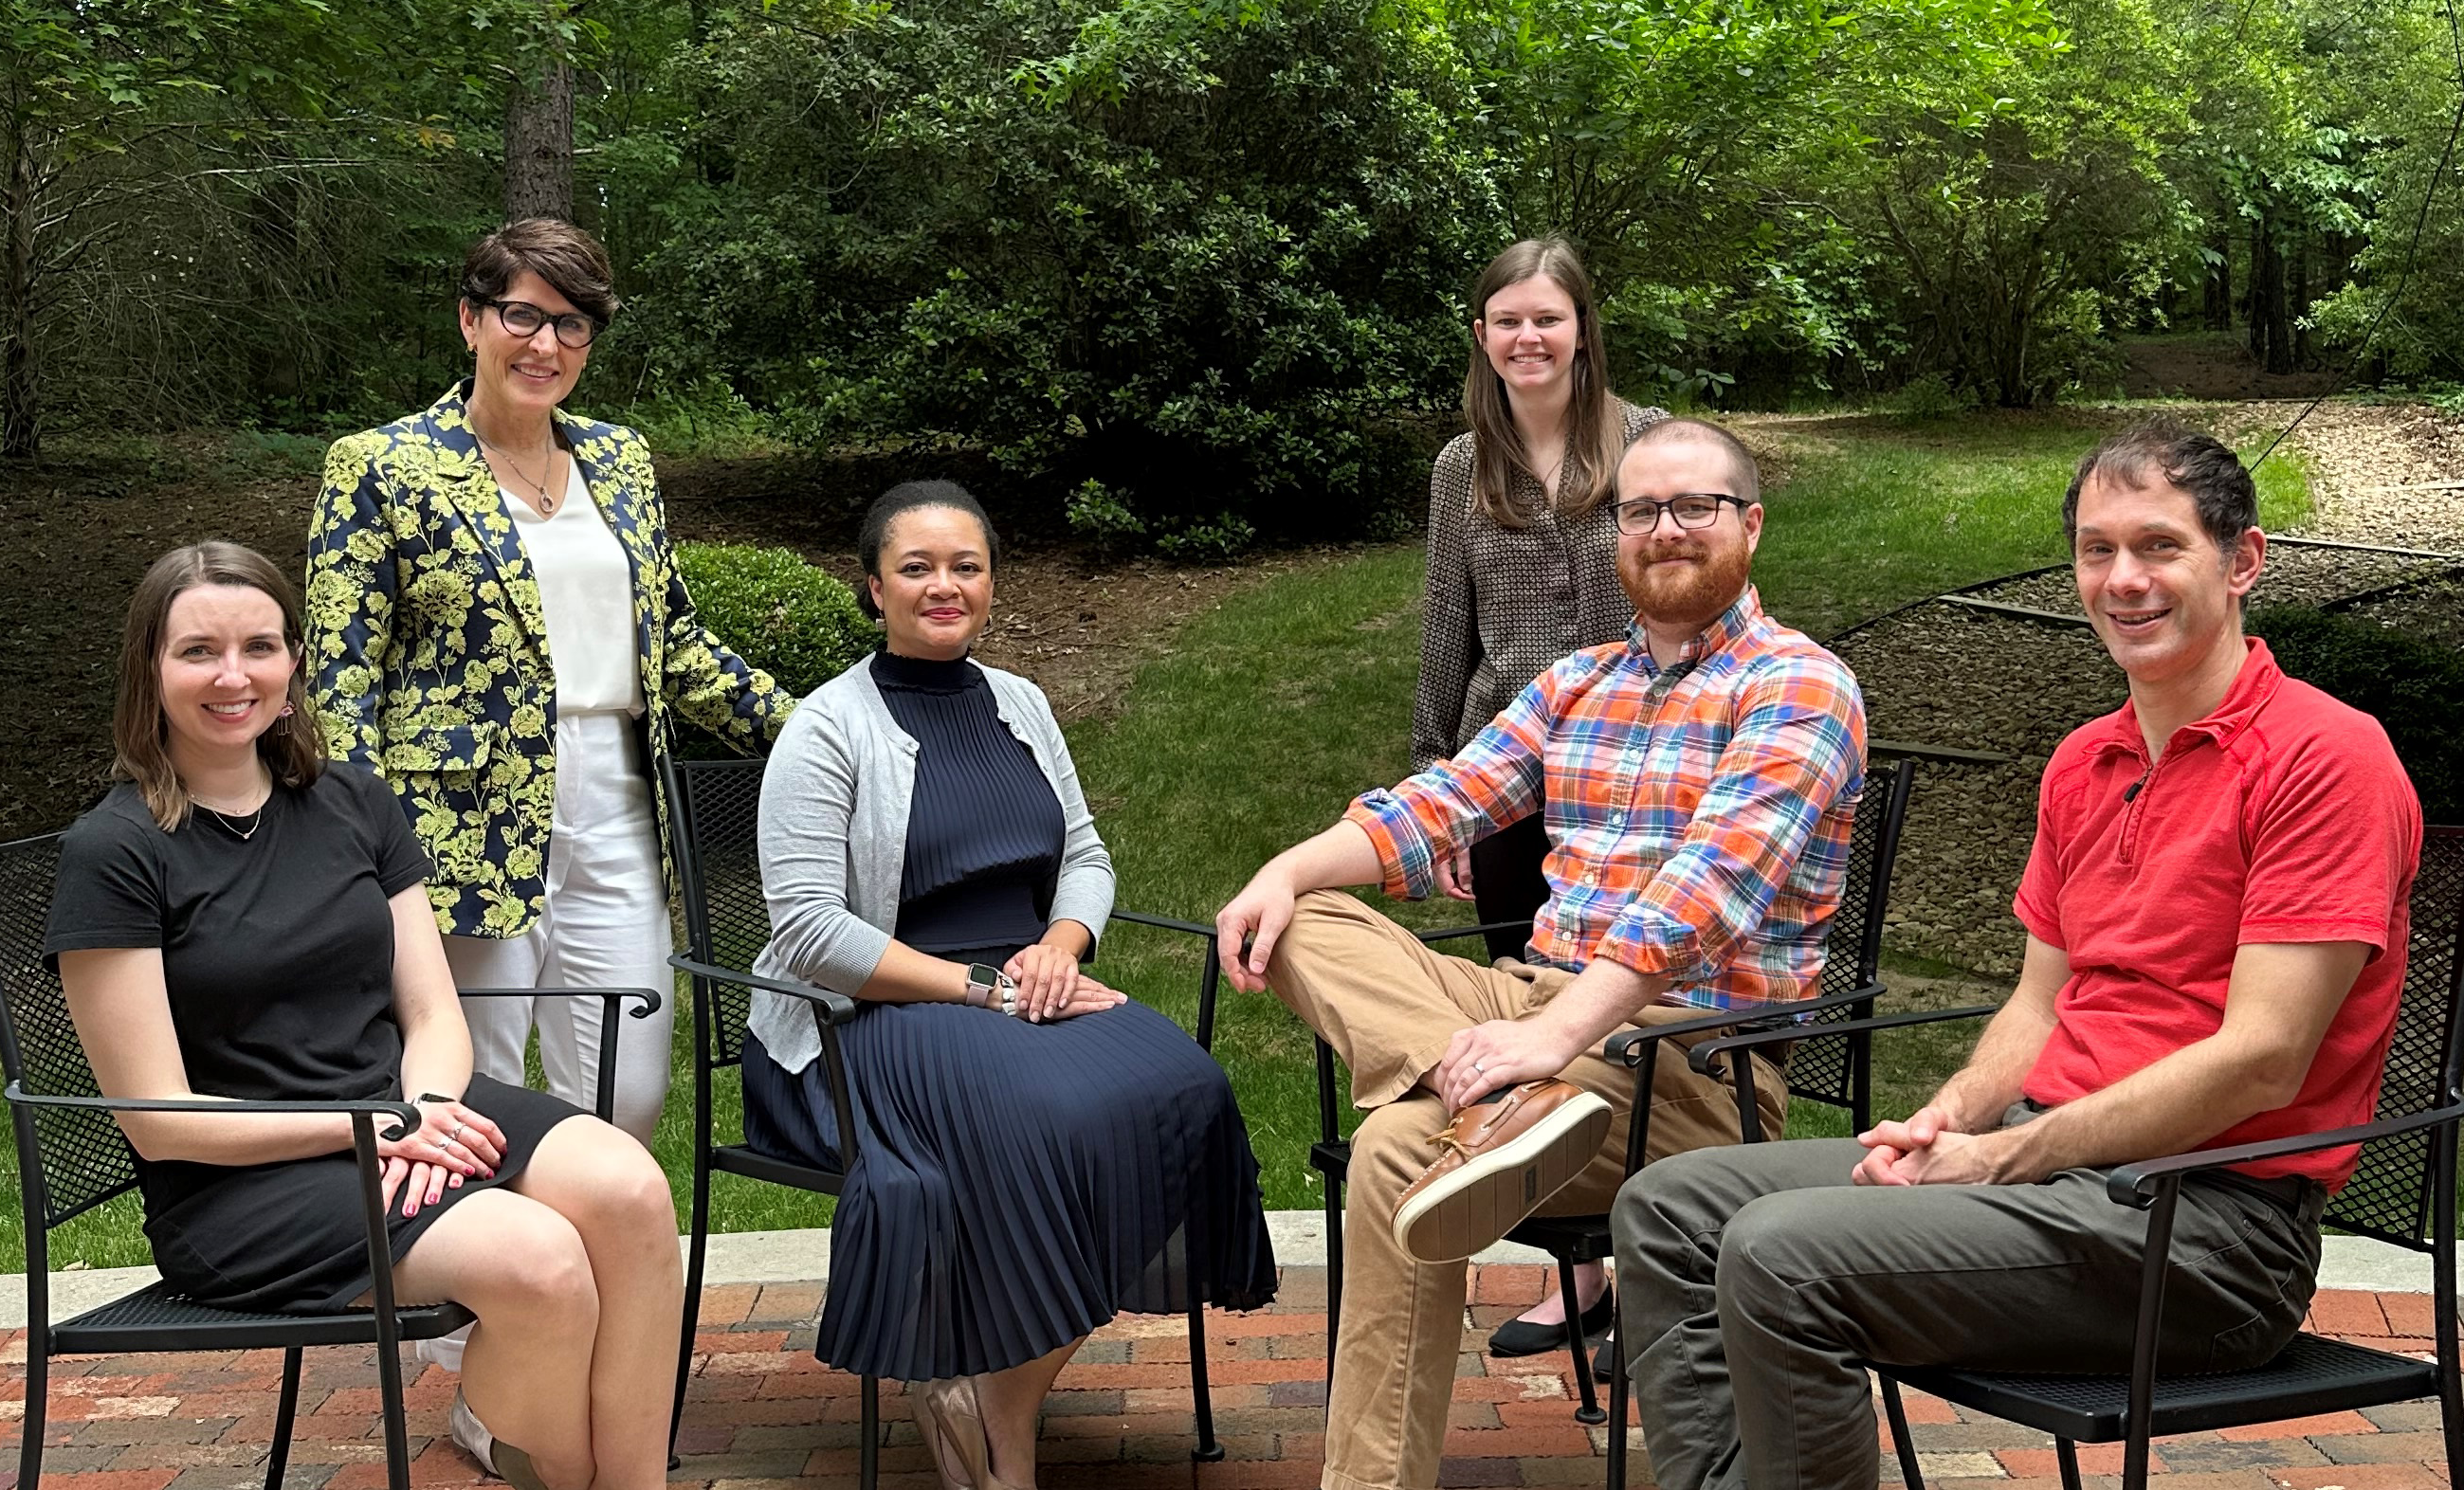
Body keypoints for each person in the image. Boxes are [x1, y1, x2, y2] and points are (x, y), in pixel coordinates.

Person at [1614, 419, 2423, 1490]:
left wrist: (2002, 1158)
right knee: (1669, 1210)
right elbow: (2039, 1005)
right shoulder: (2086, 762)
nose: (2122, 580)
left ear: (2242, 562)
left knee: (1777, 1252)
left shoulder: (2327, 758)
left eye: (2158, 546)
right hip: (2064, 1175)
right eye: (2096, 550)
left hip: (2211, 1235)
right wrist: (1955, 1114)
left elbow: (2262, 1059)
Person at [1214, 419, 1866, 1490]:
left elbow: (1699, 900)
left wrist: (1550, 1040)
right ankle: (1505, 1106)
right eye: (1640, 510)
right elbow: (1442, 802)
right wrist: (1284, 870)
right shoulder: (1577, 683)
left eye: (1693, 506)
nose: (1665, 530)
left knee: (1391, 1154)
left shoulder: (1799, 687)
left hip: (1688, 1061)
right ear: (1615, 533)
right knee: (1311, 917)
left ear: (1749, 524)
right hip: (1526, 1007)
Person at [46, 542, 683, 1490]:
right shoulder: (117, 851)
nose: (234, 675)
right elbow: (158, 1120)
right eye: (198, 651)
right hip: (244, 1183)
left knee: (630, 1191)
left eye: (260, 646)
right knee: (538, 1261)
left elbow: (432, 1010)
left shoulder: (350, 800)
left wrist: (418, 1114)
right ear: (151, 667)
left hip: (397, 1111)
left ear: (295, 662)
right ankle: (569, 1471)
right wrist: (377, 1129)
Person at [741, 481, 1277, 1490]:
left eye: (965, 566)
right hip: (878, 1012)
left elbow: (1084, 851)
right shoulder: (826, 728)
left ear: (990, 583)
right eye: (916, 568)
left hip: (1031, 986)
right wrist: (982, 989)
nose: (943, 586)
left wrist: (1065, 943)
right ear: (872, 588)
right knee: (1047, 1121)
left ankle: (989, 1392)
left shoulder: (1018, 703)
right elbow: (810, 933)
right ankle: (1006, 1449)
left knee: (1189, 1090)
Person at [307, 217, 794, 1152]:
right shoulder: (382, 466)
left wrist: (817, 732)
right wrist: (361, 852)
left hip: (615, 804)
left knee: (628, 1090)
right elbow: (338, 684)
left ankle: (595, 1277)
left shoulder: (620, 459)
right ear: (470, 320)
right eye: (523, 316)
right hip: (454, 823)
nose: (546, 344)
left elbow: (672, 643)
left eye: (573, 325)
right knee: (475, 1089)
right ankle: (507, 1287)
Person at [1415, 239, 1668, 1360]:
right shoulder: (1460, 467)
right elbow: (1444, 628)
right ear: (1483, 335)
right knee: (1528, 1013)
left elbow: (1700, 588)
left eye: (1547, 319)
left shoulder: (1652, 445)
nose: (1528, 338)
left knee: (1636, 1014)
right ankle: (1585, 1274)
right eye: (1506, 320)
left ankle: (1661, 1261)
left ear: (1582, 329)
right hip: (1505, 778)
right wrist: (1436, 786)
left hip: (1640, 769)